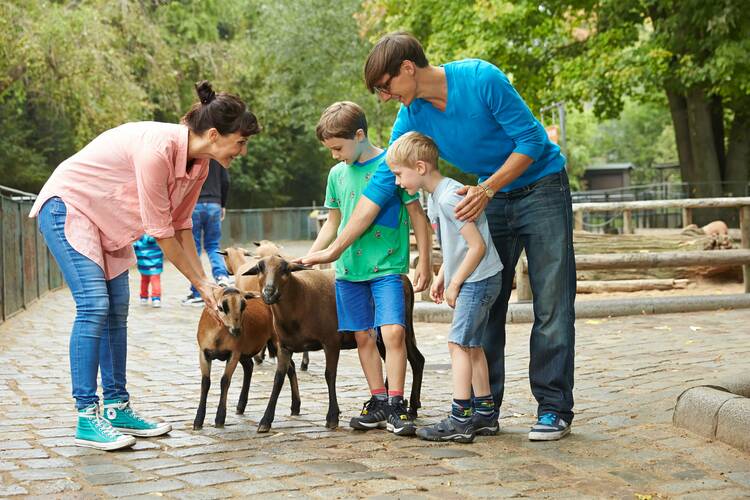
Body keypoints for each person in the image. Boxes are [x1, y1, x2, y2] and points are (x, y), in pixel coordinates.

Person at [301, 33, 575, 441]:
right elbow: (380, 187)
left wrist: (488, 188)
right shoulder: (411, 117)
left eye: (385, 86)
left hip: (540, 188)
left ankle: (553, 409)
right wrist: (334, 247)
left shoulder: (482, 78)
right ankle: (485, 408)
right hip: (486, 197)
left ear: (408, 69)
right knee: (484, 302)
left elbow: (534, 140)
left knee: (551, 303)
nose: (383, 97)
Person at [29, 81, 260, 450]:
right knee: (94, 306)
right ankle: (87, 416)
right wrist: (202, 287)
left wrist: (205, 283)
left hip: (106, 222)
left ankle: (117, 407)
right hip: (69, 207)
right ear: (215, 135)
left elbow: (183, 225)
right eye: (241, 142)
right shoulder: (157, 150)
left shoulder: (200, 163)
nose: (243, 151)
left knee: (117, 311)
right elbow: (162, 233)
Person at [305, 101, 432, 436]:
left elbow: (418, 216)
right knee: (363, 335)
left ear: (359, 135)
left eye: (337, 148)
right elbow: (333, 222)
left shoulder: (393, 166)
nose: (334, 155)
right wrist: (310, 257)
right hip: (349, 271)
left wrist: (426, 261)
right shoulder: (336, 175)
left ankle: (396, 403)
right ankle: (377, 401)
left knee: (393, 332)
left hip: (387, 265)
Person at [387, 132, 502, 443]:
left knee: (457, 345)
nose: (398, 182)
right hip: (473, 276)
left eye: (399, 174)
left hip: (478, 279)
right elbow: (456, 247)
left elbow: (476, 247)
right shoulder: (435, 197)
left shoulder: (450, 197)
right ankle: (485, 415)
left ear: (420, 167)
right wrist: (442, 276)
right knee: (471, 344)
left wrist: (455, 283)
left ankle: (460, 419)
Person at [182, 159, 231, 306]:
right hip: (214, 204)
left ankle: (197, 292)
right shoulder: (217, 157)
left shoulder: (191, 155)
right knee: (213, 245)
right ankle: (222, 277)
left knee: (194, 248)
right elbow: (226, 181)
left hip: (194, 205)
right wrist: (222, 204)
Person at [133, 234, 164, 308]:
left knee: (144, 281)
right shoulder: (154, 235)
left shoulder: (138, 238)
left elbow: (134, 247)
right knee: (155, 281)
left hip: (143, 264)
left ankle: (144, 297)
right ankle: (156, 299)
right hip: (155, 263)